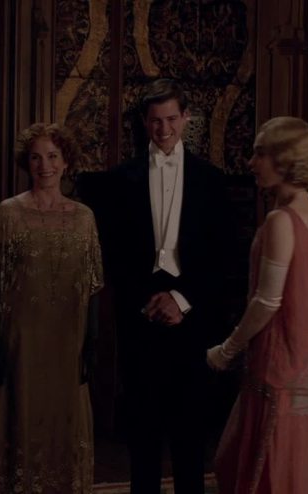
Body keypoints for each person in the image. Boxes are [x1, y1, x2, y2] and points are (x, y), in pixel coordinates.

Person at [99, 79, 231, 494]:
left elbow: (222, 254)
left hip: (191, 314)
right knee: (143, 430)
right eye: (156, 121)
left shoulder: (212, 179)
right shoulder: (120, 179)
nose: (164, 129)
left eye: (172, 119)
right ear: (144, 121)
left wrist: (181, 299)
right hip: (141, 315)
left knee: (190, 430)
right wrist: (146, 301)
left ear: (186, 118)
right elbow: (112, 253)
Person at [0, 122, 103, 493]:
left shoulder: (84, 217)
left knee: (62, 423)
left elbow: (93, 284)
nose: (45, 165)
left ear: (66, 161)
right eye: (36, 158)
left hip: (66, 342)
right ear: (26, 163)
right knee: (19, 419)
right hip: (20, 342)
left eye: (52, 156)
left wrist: (91, 342)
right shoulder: (8, 213)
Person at [206, 116, 308, 493]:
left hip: (279, 364)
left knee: (262, 466)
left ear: (285, 159)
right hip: (300, 362)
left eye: (260, 154)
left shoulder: (282, 219)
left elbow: (267, 300)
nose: (251, 163)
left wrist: (226, 350)